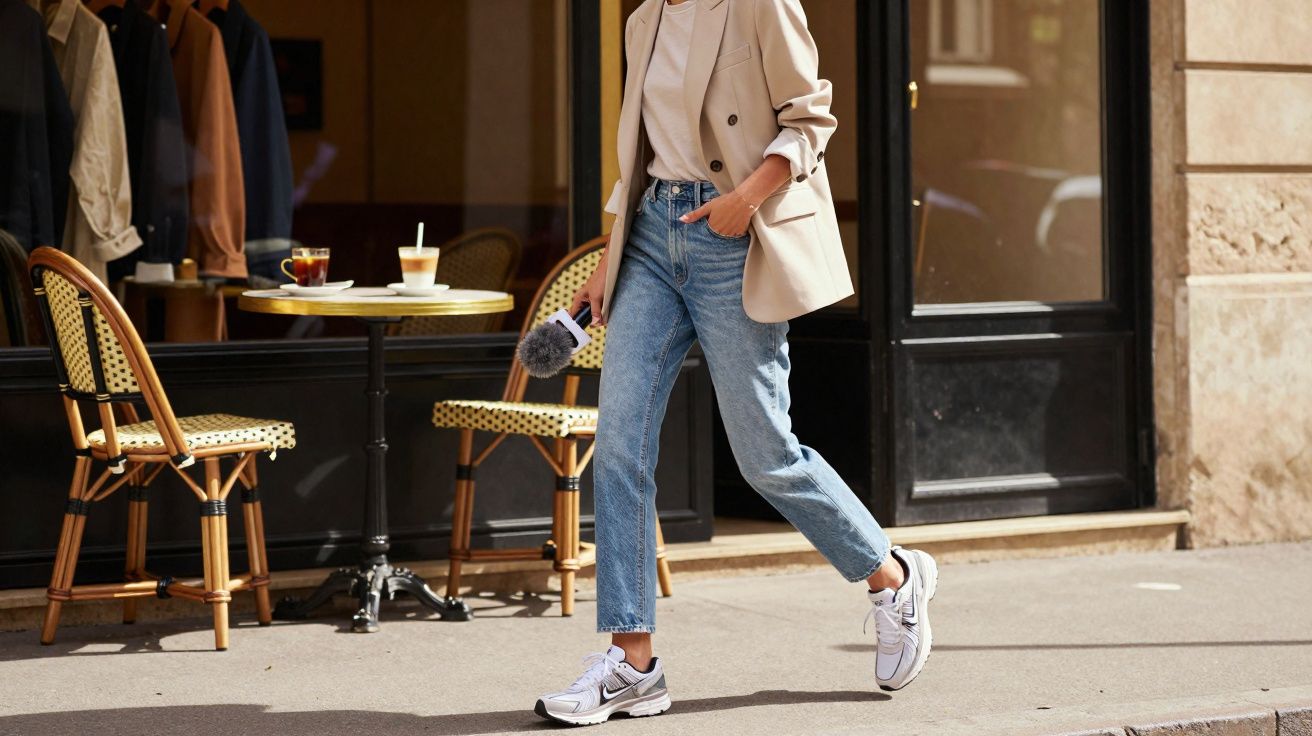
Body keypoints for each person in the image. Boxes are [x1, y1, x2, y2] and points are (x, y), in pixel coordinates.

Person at [535, 0, 938, 724]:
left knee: (765, 455)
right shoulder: (644, 19)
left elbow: (810, 117)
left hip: (733, 239)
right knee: (621, 447)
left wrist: (744, 201)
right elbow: (639, 154)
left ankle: (893, 574)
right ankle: (633, 666)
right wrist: (609, 254)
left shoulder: (760, 5)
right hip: (653, 240)